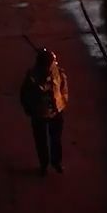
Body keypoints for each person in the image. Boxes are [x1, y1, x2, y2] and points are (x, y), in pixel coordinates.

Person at [19, 47, 70, 175]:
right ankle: (44, 165)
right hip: (39, 114)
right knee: (41, 141)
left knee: (56, 139)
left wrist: (63, 101)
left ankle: (56, 162)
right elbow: (24, 94)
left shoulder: (58, 72)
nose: (51, 67)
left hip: (56, 112)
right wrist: (29, 109)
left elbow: (64, 86)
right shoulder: (32, 78)